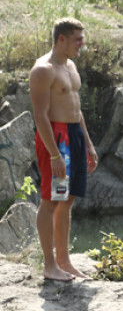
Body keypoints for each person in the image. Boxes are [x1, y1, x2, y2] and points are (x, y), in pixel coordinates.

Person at [29, 18, 98, 281]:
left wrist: (89, 144)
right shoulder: (43, 70)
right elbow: (40, 115)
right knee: (52, 200)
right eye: (78, 40)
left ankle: (64, 262)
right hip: (58, 139)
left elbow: (76, 109)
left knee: (67, 199)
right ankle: (49, 266)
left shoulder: (70, 66)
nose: (82, 44)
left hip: (75, 136)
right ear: (62, 39)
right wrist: (55, 154)